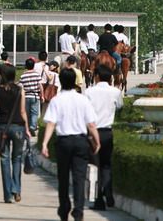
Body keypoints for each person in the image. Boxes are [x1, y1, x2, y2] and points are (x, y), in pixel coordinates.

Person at [41, 68, 101, 221]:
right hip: (80, 142)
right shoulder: (83, 99)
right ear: (75, 81)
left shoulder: (56, 100)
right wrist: (96, 140)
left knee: (63, 177)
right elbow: (91, 124)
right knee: (79, 177)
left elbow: (51, 124)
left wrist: (45, 143)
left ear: (60, 81)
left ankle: (64, 208)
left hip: (63, 142)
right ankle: (78, 210)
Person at [0, 65, 33, 204]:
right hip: (18, 126)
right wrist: (27, 129)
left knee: (4, 159)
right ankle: (16, 189)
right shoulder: (20, 90)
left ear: (2, 75)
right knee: (17, 158)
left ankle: (8, 195)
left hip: (3, 128)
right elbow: (23, 111)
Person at [85, 66, 123, 210]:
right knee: (106, 165)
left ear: (97, 77)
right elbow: (120, 106)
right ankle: (108, 192)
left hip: (93, 133)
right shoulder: (115, 92)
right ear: (110, 78)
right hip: (107, 132)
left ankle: (98, 200)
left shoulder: (89, 92)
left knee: (95, 167)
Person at [19, 58, 43, 136]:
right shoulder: (37, 74)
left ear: (26, 66)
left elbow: (20, 86)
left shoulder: (23, 75)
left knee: (27, 113)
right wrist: (42, 95)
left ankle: (28, 127)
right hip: (35, 95)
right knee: (34, 113)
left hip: (25, 96)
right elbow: (40, 86)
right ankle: (32, 127)